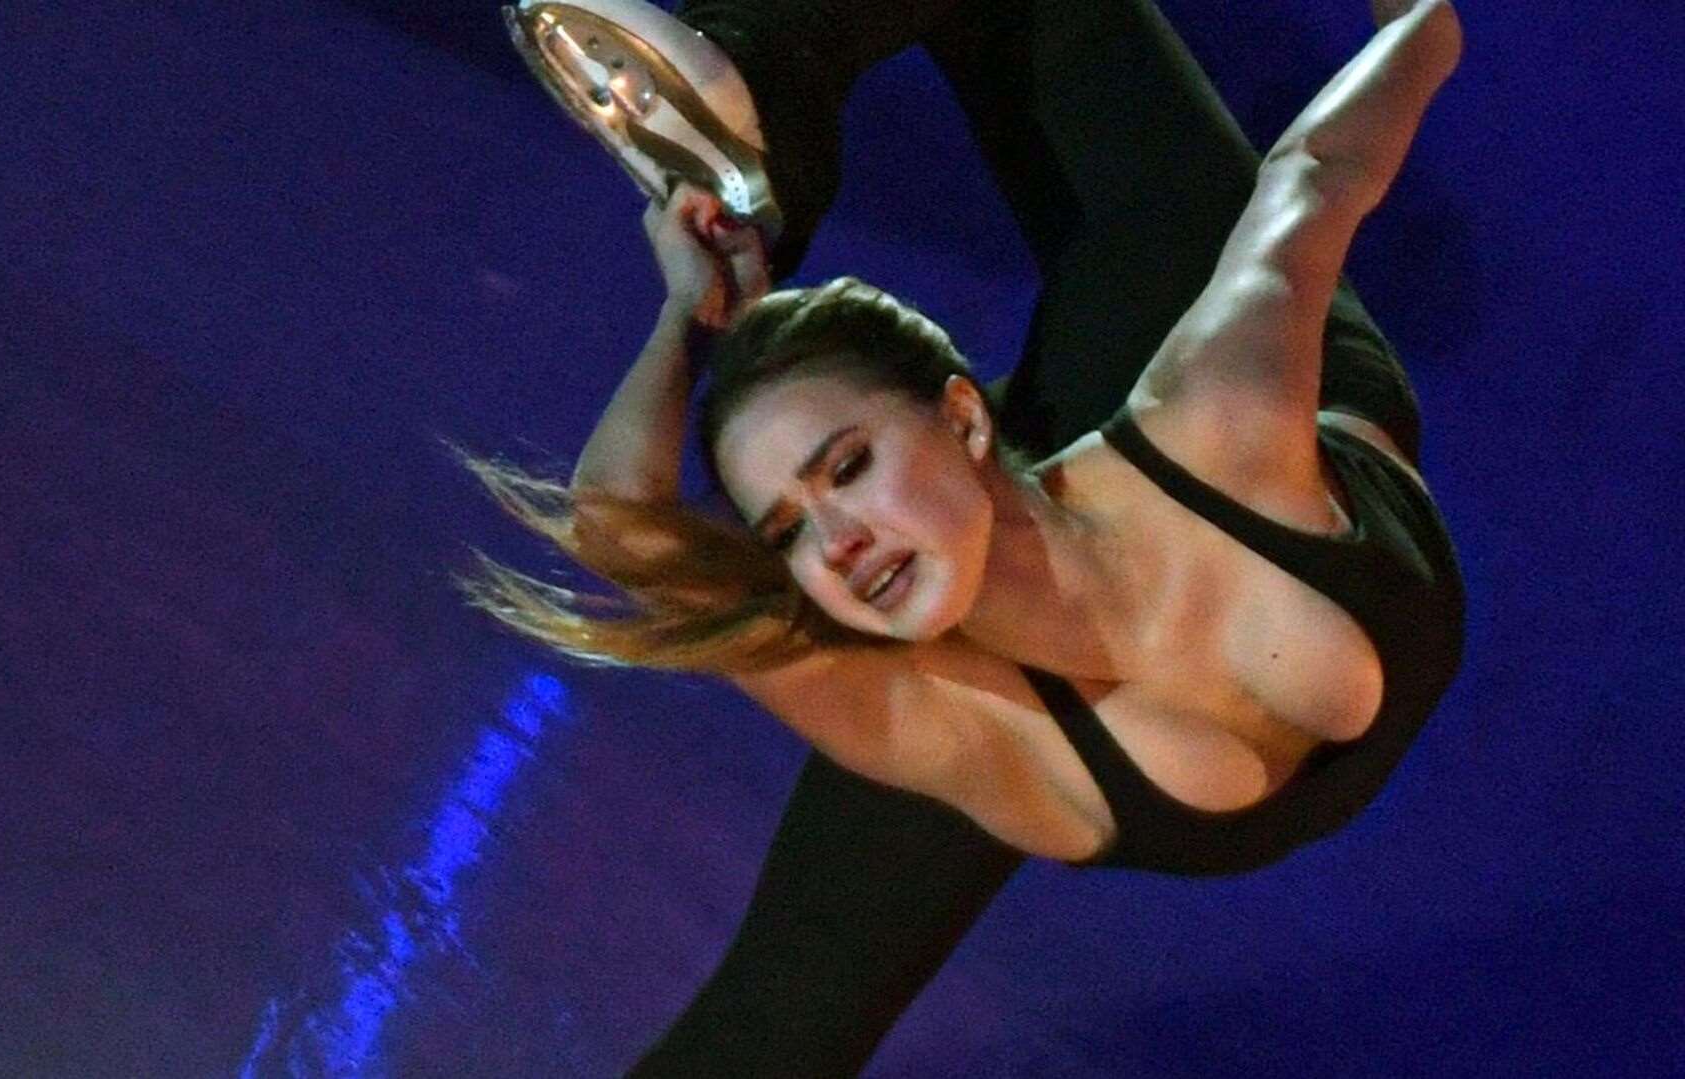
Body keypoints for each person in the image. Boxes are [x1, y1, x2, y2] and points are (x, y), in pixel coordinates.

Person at [472, 0, 1466, 1073]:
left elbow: (1317, 172)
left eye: (847, 468)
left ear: (963, 414)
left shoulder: (1221, 420)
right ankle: (762, 141)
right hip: (999, 564)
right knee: (774, 1028)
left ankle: (763, 77)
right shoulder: (934, 715)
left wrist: (1425, 23)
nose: (839, 543)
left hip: (1156, 417)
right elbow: (620, 529)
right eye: (789, 529)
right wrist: (689, 316)